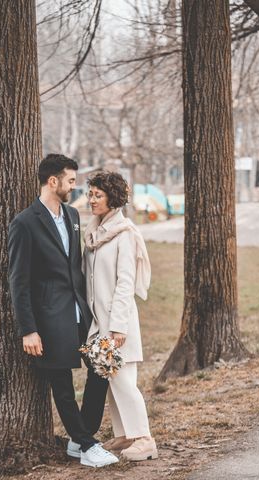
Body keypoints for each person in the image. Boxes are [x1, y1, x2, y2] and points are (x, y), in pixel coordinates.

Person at [7, 154, 118, 468]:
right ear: (52, 181)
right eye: (71, 180)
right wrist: (28, 329)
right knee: (62, 384)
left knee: (105, 364)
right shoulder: (24, 222)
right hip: (49, 318)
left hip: (80, 315)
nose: (75, 186)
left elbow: (76, 267)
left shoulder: (71, 215)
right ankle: (87, 445)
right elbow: (19, 280)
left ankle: (79, 436)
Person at [83, 171, 158, 461]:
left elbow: (125, 282)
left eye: (97, 195)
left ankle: (144, 438)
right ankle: (125, 435)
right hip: (99, 322)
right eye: (90, 194)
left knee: (125, 381)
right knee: (113, 381)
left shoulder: (124, 234)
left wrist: (117, 326)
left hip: (118, 324)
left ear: (112, 198)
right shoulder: (94, 233)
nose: (91, 200)